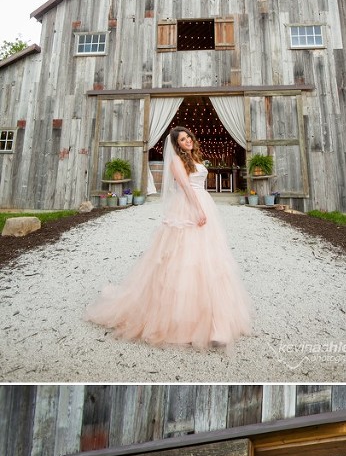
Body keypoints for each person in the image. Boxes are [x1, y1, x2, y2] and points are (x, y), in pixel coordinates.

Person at [86, 126, 251, 348]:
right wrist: (198, 211)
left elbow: (197, 185)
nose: (188, 141)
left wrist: (204, 208)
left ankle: (216, 320)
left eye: (188, 137)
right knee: (184, 258)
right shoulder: (176, 163)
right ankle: (185, 321)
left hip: (203, 202)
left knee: (210, 259)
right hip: (188, 207)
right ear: (177, 145)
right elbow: (185, 187)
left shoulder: (195, 157)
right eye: (183, 140)